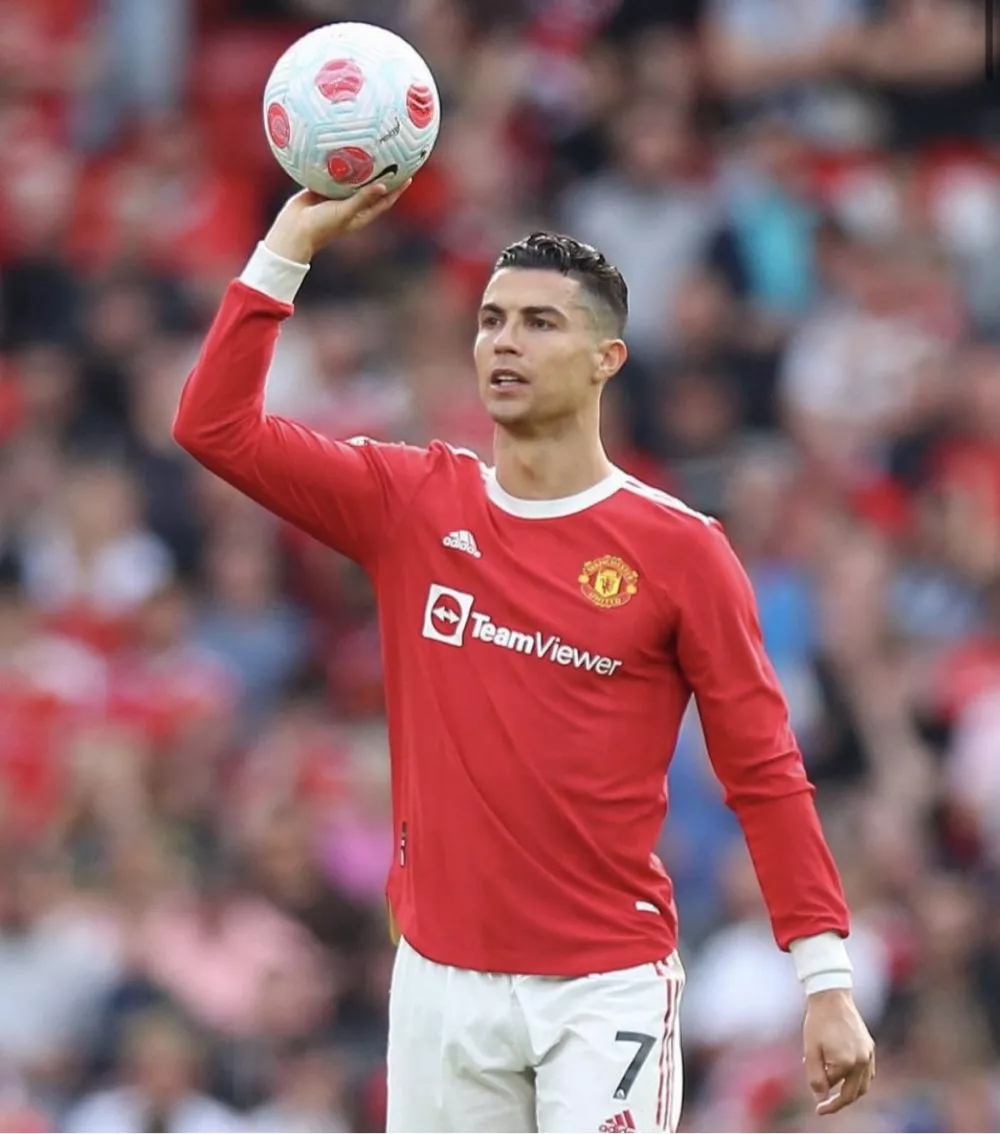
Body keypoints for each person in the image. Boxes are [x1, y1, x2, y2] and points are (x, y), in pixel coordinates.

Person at [173, 182, 875, 1133]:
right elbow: (214, 426)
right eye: (492, 320)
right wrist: (288, 244)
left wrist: (825, 978)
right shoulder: (413, 503)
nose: (505, 342)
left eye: (540, 323)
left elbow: (763, 768)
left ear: (606, 359)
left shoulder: (680, 550)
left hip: (603, 988)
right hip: (439, 984)